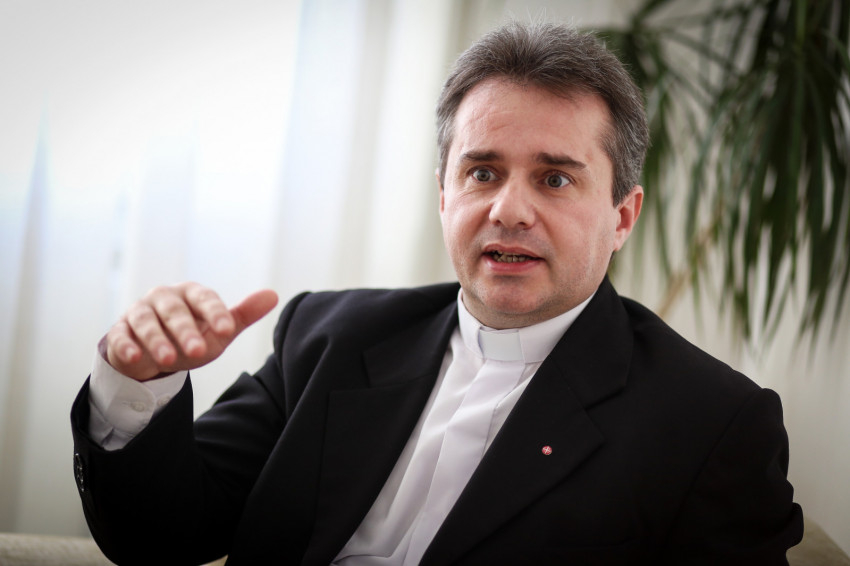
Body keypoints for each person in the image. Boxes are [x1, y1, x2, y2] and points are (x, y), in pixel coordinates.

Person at [71, 21, 803, 565]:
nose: (509, 210)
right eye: (482, 172)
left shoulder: (711, 424)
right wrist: (139, 385)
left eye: (554, 178)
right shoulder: (328, 334)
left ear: (621, 217)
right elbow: (162, 534)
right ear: (444, 195)